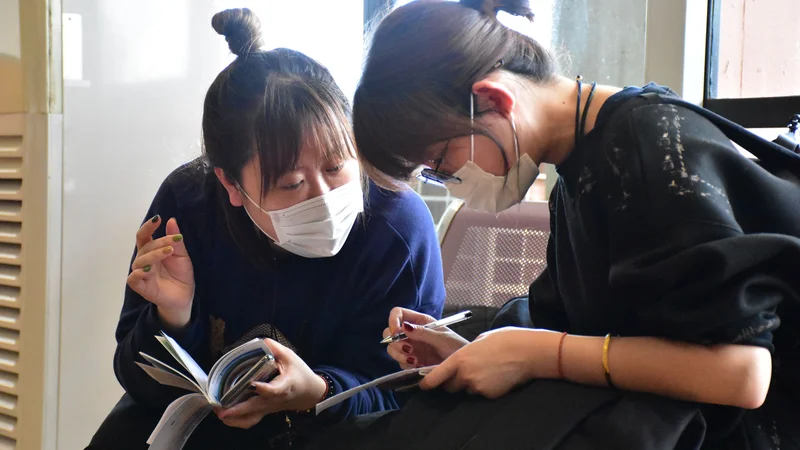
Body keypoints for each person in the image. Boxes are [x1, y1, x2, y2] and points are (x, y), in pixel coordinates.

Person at [305, 0, 800, 449]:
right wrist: (471, 352)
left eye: (441, 160)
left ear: (495, 100)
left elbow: (744, 375)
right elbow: (594, 331)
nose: (450, 180)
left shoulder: (645, 152)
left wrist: (538, 355)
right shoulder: (581, 163)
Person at [87, 8, 445, 450]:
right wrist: (173, 318)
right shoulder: (188, 208)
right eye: (291, 183)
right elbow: (138, 383)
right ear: (231, 184)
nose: (323, 196)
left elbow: (405, 390)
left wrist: (317, 391)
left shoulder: (396, 227)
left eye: (337, 166)